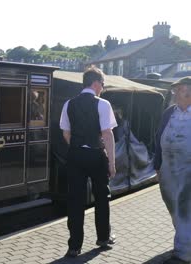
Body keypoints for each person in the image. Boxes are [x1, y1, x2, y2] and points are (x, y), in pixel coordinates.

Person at [59, 66, 117, 258]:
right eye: (103, 84)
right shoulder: (103, 104)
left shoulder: (69, 104)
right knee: (102, 197)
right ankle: (103, 238)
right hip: (96, 155)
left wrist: (77, 144)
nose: (103, 87)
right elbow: (107, 135)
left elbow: (66, 133)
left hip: (75, 156)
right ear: (95, 83)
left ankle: (74, 246)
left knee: (75, 200)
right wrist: (112, 163)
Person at [154, 76, 191, 264]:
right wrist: (157, 165)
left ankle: (183, 253)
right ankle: (183, 242)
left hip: (189, 172)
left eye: (180, 90)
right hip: (168, 170)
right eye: (175, 91)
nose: (175, 94)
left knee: (185, 209)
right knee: (174, 208)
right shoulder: (169, 112)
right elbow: (158, 136)